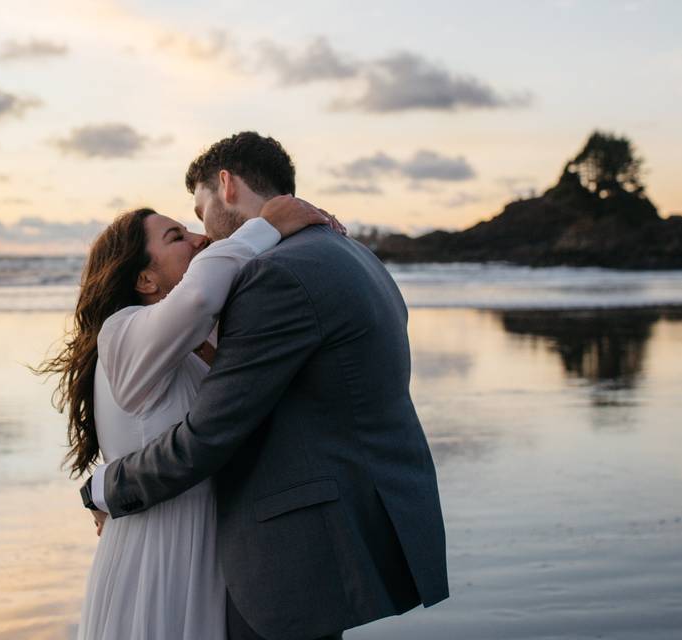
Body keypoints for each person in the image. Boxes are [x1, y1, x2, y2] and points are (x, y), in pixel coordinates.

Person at [81, 132, 449, 640]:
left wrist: (106, 487)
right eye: (179, 233)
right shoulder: (352, 255)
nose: (204, 235)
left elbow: (208, 433)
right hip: (322, 533)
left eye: (198, 211)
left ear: (226, 186)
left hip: (289, 551)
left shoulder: (275, 276)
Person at [39, 194, 331, 639]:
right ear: (145, 279)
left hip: (208, 555)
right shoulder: (122, 332)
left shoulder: (189, 346)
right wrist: (266, 225)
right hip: (156, 559)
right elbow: (198, 295)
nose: (202, 239)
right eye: (177, 236)